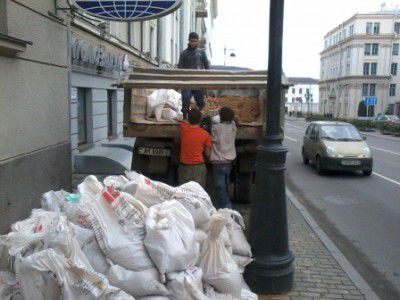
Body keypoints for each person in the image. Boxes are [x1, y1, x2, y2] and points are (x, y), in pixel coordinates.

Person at [178, 32, 210, 120]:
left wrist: (208, 80)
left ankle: (204, 119)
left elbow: (207, 65)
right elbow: (180, 68)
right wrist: (180, 82)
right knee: (186, 100)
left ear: (197, 41)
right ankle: (185, 118)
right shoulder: (184, 53)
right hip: (187, 82)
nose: (194, 43)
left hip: (198, 81)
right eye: (192, 41)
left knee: (200, 101)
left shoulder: (201, 53)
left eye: (195, 41)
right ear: (189, 40)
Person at [210, 107, 237, 209]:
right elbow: (234, 122)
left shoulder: (215, 128)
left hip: (218, 162)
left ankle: (226, 206)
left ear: (220, 117)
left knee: (220, 186)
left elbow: (212, 124)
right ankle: (225, 203)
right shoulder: (233, 128)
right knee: (225, 184)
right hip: (229, 162)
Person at [178, 108, 211, 187]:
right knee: (198, 193)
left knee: (184, 192)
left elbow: (182, 121)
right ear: (200, 120)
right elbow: (207, 154)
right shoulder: (206, 134)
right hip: (198, 167)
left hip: (184, 167)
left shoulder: (184, 129)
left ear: (188, 119)